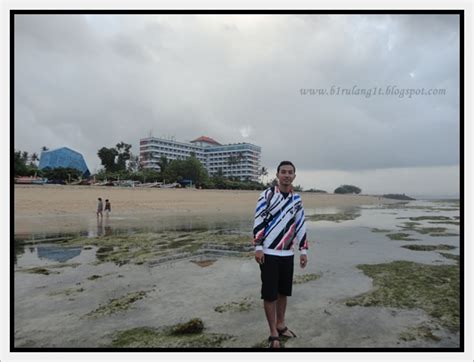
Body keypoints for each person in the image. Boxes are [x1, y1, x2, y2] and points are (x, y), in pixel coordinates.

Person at [253, 161, 309, 348]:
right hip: (268, 252)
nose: (286, 175)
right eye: (283, 172)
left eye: (290, 172)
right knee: (269, 294)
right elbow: (259, 219)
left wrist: (303, 250)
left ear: (294, 176)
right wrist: (258, 247)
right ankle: (273, 333)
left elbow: (300, 224)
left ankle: (281, 324)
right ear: (277, 175)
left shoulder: (297, 199)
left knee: (283, 292)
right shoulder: (267, 195)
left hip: (287, 253)